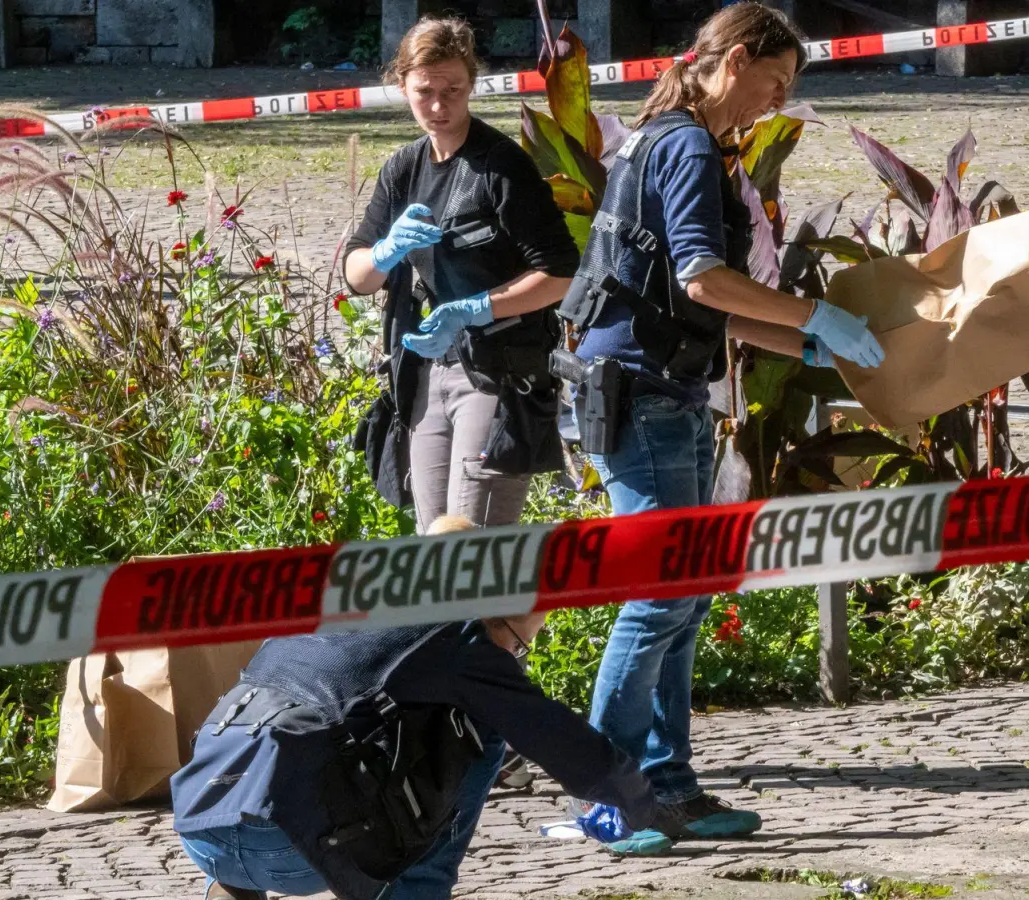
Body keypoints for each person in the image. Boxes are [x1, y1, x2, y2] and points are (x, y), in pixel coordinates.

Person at [552, 2, 884, 855]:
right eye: (773, 83)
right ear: (735, 61)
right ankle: (611, 794)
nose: (773, 103)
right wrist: (815, 314)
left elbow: (708, 307)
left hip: (669, 388)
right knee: (661, 592)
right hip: (641, 395)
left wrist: (816, 341)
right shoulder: (688, 144)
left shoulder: (673, 137)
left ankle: (668, 786)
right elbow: (704, 278)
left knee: (687, 595)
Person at [169, 516, 661, 900]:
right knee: (483, 733)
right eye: (518, 644)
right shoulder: (461, 633)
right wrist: (644, 801)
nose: (514, 659)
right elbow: (560, 741)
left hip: (201, 816)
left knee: (311, 742)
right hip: (291, 848)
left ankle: (231, 884)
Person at [343, 15, 576, 791]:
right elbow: (354, 273)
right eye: (423, 92)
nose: (438, 106)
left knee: (471, 547)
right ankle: (450, 721)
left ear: (473, 86)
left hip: (494, 376)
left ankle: (495, 730)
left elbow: (562, 272)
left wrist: (481, 306)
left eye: (451, 92)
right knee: (427, 551)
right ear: (400, 86)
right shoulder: (405, 168)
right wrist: (383, 256)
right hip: (424, 376)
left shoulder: (500, 167)